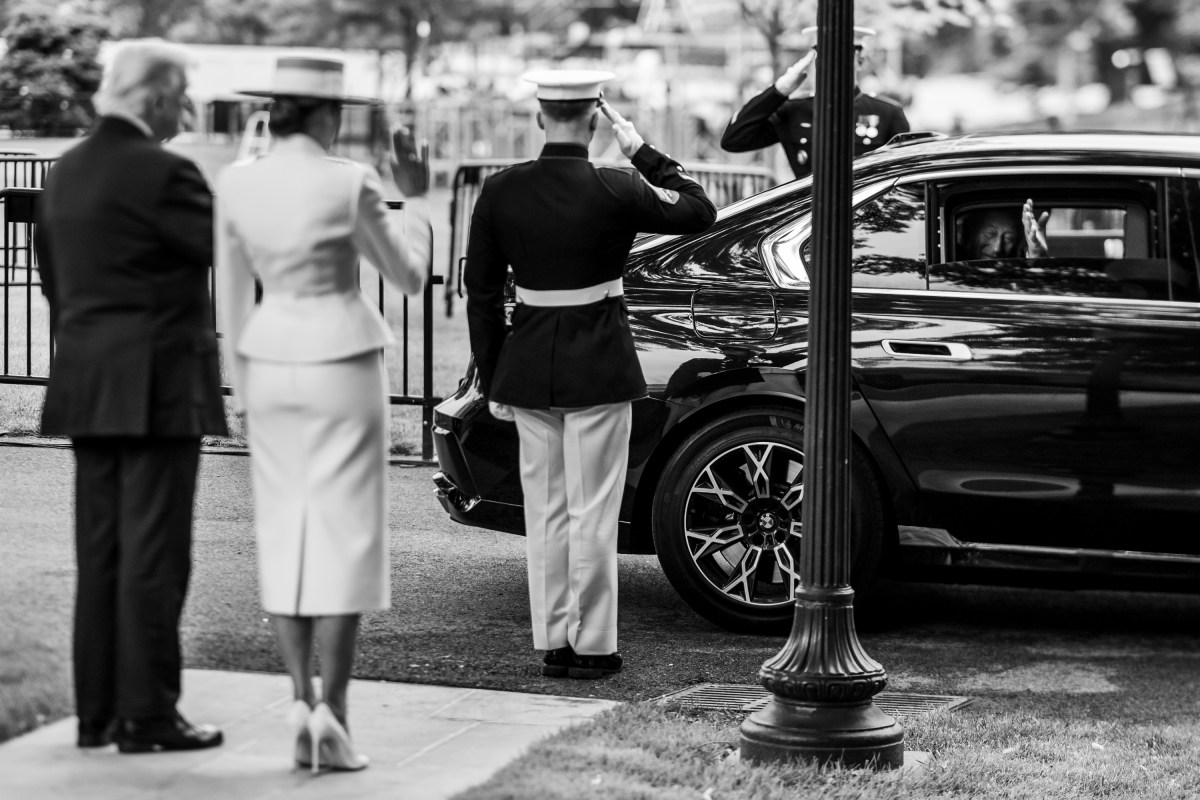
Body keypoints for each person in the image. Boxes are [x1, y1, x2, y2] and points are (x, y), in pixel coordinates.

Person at [215, 56, 431, 772]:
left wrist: (242, 396)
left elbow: (231, 304)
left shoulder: (237, 183)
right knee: (346, 533)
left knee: (284, 528)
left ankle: (301, 702)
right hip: (342, 362)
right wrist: (417, 199)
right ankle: (334, 713)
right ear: (327, 114)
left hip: (270, 365)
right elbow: (406, 275)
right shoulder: (348, 182)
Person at [465, 70, 717, 680]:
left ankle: (552, 641)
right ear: (596, 118)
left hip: (527, 368)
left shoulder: (501, 190)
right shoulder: (618, 185)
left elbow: (480, 293)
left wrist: (494, 378)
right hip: (598, 365)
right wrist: (642, 149)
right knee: (593, 511)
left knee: (545, 510)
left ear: (539, 116)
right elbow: (700, 211)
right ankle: (594, 644)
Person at [32, 40, 227, 753]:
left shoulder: (66, 170)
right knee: (156, 555)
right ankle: (146, 714)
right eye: (181, 98)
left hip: (89, 379)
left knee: (104, 552)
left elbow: (55, 283)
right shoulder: (165, 171)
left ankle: (98, 712)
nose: (186, 111)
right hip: (158, 383)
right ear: (152, 98)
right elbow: (226, 249)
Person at [720, 26, 910, 180]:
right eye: (824, 56)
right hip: (809, 219)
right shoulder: (795, 109)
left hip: (865, 221)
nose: (833, 63)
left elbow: (907, 175)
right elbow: (734, 140)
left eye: (842, 56)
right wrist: (779, 90)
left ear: (860, 60)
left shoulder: (887, 113)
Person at [959, 199, 1049, 260]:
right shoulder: (951, 260)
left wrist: (1036, 255)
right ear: (972, 231)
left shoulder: (1017, 268)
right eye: (990, 233)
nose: (997, 249)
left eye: (1009, 238)